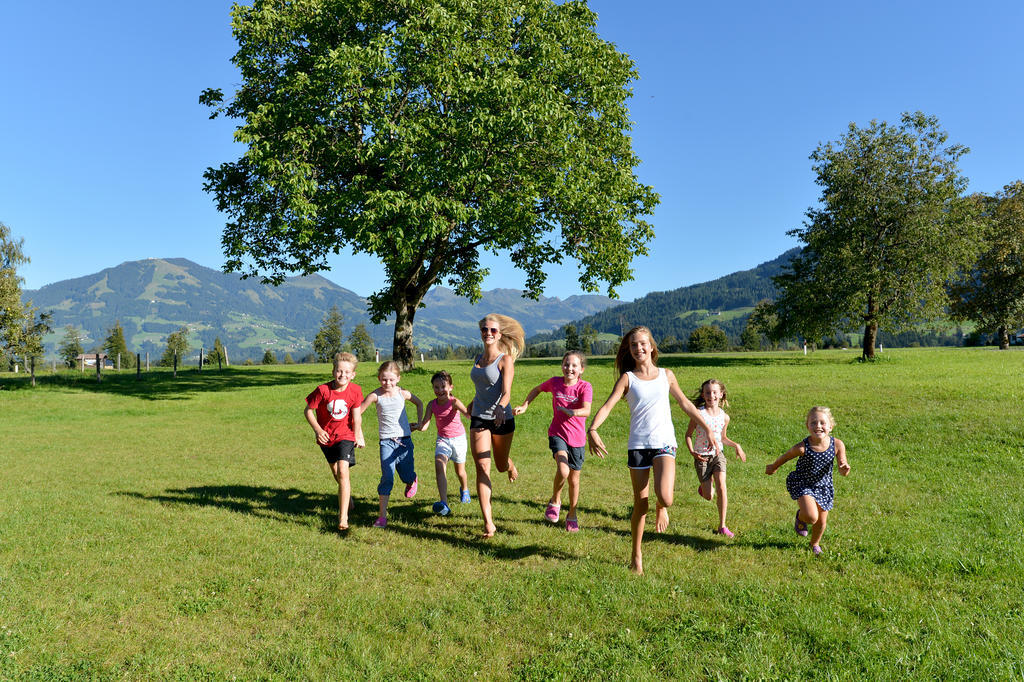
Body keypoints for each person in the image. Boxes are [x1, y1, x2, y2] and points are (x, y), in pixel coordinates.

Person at [588, 326, 721, 575]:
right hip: (638, 445)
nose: (638, 348)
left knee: (666, 497)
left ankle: (662, 507)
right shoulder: (628, 378)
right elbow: (607, 406)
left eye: (642, 344)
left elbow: (684, 403)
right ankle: (636, 555)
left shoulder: (666, 375)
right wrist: (592, 429)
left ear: (651, 347)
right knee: (640, 504)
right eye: (633, 345)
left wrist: (709, 429)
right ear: (630, 350)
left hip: (664, 443)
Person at [513, 351, 596, 532]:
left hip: (578, 439)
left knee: (574, 480)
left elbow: (587, 410)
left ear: (581, 369)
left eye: (574, 365)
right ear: (562, 366)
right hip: (558, 434)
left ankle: (572, 514)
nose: (570, 368)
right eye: (566, 364)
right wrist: (525, 405)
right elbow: (536, 389)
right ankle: (555, 501)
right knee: (563, 469)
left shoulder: (585, 387)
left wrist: (573, 412)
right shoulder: (555, 382)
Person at [765, 406, 850, 555]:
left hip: (824, 486)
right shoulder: (803, 447)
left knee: (821, 522)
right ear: (807, 426)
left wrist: (844, 468)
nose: (818, 426)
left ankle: (814, 544)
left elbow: (842, 465)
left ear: (831, 426)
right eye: (813, 423)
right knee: (811, 516)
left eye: (823, 423)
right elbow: (786, 456)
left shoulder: (837, 445)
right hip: (803, 483)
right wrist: (773, 466)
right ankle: (801, 517)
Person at [470, 313, 524, 538]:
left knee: (499, 465)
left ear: (499, 334)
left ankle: (509, 464)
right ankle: (488, 523)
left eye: (492, 330)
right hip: (479, 419)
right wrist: (466, 407)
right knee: (482, 467)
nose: (488, 333)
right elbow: (481, 390)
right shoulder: (477, 358)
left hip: (502, 419)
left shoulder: (505, 360)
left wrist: (502, 407)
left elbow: (507, 391)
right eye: (484, 329)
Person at [304, 352, 365, 531]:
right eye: (339, 371)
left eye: (347, 372)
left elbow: (356, 415)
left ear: (353, 374)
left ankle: (343, 517)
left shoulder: (355, 391)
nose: (342, 375)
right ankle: (349, 500)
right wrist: (318, 430)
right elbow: (308, 411)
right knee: (337, 473)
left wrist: (358, 434)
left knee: (344, 472)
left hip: (345, 436)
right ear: (333, 371)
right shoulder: (323, 390)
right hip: (326, 438)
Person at [360, 361, 424, 528]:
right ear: (378, 378)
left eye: (391, 380)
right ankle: (382, 517)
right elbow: (358, 411)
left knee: (406, 474)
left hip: (404, 441)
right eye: (383, 379)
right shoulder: (375, 396)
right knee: (387, 477)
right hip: (386, 442)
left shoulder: (403, 393)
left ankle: (412, 480)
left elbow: (419, 403)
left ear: (398, 378)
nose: (387, 383)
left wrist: (419, 423)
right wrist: (355, 430)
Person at [684, 379, 746, 538]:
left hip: (718, 455)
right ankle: (704, 487)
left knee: (722, 487)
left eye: (714, 392)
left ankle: (722, 526)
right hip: (702, 457)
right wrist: (692, 452)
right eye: (707, 392)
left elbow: (723, 438)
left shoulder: (725, 417)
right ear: (703, 395)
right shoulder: (699, 414)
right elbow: (688, 435)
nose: (711, 395)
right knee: (708, 496)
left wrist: (736, 445)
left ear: (721, 394)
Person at [417, 370, 472, 516]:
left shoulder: (454, 402)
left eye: (443, 387)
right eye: (436, 387)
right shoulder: (431, 405)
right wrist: (417, 426)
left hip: (459, 439)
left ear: (451, 387)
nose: (440, 390)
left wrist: (475, 406)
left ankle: (465, 489)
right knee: (439, 465)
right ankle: (444, 503)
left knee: (460, 471)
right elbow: (425, 425)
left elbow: (468, 414)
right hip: (443, 440)